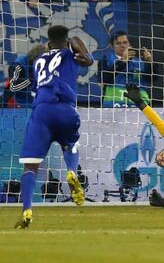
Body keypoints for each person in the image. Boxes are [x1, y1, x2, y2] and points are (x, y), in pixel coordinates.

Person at [14, 25, 94, 229]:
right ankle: (71, 171)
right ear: (67, 42)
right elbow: (79, 47)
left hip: (41, 111)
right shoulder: (71, 54)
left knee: (30, 166)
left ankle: (26, 209)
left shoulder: (38, 61)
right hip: (66, 108)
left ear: (48, 43)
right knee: (71, 145)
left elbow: (34, 86)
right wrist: (86, 55)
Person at [99, 30, 158, 107]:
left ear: (129, 44)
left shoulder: (139, 61)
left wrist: (150, 63)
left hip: (139, 105)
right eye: (118, 43)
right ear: (111, 45)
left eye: (125, 42)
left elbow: (152, 79)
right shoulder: (106, 60)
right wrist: (122, 61)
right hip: (113, 105)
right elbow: (104, 79)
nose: (122, 45)